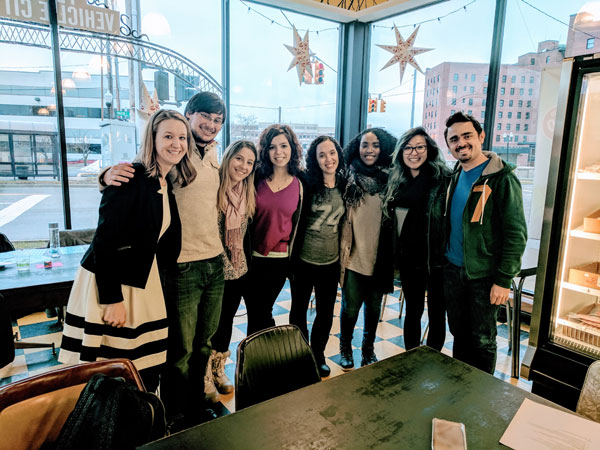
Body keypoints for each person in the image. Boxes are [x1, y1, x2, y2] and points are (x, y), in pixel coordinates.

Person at [100, 92, 226, 425]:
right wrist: (106, 175)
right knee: (180, 351)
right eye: (204, 117)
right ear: (188, 116)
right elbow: (133, 177)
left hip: (214, 264)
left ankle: (196, 405)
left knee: (204, 345)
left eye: (218, 120)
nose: (211, 125)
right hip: (181, 267)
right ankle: (175, 413)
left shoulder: (214, 157)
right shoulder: (168, 162)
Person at [59, 109, 196, 393]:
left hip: (143, 281)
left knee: (142, 367)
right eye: (168, 136)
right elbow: (105, 240)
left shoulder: (164, 181)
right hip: (114, 284)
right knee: (109, 372)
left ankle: (140, 424)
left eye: (182, 137)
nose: (176, 144)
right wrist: (112, 300)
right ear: (152, 139)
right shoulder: (130, 176)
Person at [443, 112, 527, 374]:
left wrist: (503, 279)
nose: (461, 143)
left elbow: (516, 233)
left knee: (482, 340)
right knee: (458, 334)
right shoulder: (455, 176)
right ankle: (460, 385)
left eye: (467, 135)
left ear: (481, 136)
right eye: (454, 139)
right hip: (454, 272)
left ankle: (480, 397)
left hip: (483, 276)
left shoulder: (502, 178)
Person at [382, 127, 450, 351]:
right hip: (410, 259)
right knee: (413, 311)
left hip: (437, 259)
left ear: (429, 149)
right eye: (408, 148)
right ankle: (411, 354)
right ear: (401, 152)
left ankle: (433, 356)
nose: (414, 152)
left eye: (420, 147)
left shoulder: (442, 179)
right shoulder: (397, 181)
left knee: (437, 313)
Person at [339, 128, 396, 371]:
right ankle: (345, 348)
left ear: (382, 148)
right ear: (357, 147)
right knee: (350, 308)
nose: (369, 150)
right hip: (353, 255)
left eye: (375, 145)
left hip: (379, 258)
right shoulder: (347, 177)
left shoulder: (391, 180)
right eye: (365, 145)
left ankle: (368, 348)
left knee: (373, 309)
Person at [289, 136, 346, 377]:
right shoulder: (306, 182)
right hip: (303, 261)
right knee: (298, 310)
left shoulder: (345, 184)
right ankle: (299, 354)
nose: (328, 159)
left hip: (330, 263)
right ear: (315, 159)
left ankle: (318, 354)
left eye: (331, 153)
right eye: (322, 155)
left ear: (338, 154)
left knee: (325, 313)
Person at [245, 124, 304, 335]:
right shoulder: (254, 178)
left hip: (279, 260)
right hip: (250, 258)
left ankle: (259, 361)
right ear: (265, 151)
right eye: (272, 147)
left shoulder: (301, 182)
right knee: (255, 311)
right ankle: (258, 361)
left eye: (284, 146)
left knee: (262, 309)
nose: (278, 152)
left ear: (292, 148)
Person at [208, 140, 257, 396]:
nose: (244, 166)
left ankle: (218, 368)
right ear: (228, 157)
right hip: (212, 271)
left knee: (225, 321)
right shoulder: (211, 186)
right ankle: (203, 372)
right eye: (239, 159)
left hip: (237, 271)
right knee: (207, 325)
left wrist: (239, 268)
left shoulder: (246, 192)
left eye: (249, 162)